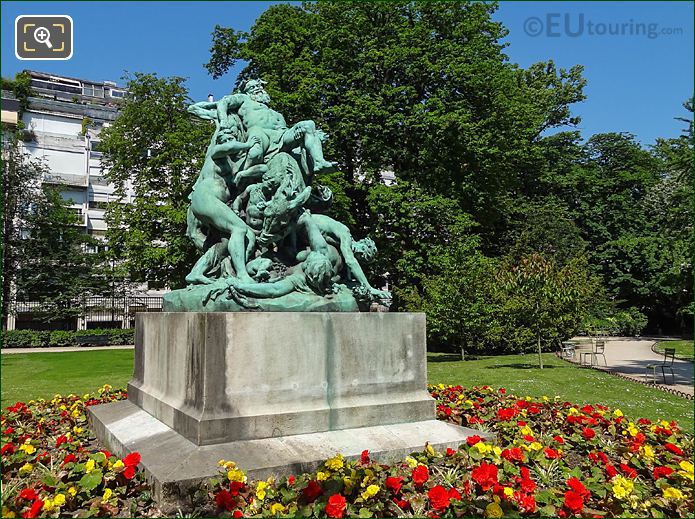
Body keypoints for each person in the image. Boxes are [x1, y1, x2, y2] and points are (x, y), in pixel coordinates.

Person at [189, 79, 336, 175]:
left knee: (308, 125)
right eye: (253, 87)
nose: (258, 88)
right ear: (246, 91)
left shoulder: (274, 112)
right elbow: (223, 103)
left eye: (259, 86)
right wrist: (223, 122)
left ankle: (319, 163)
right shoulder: (244, 100)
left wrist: (315, 136)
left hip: (282, 135)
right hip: (259, 133)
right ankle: (240, 178)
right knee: (255, 153)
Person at [187, 122, 261, 283]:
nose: (230, 141)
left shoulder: (231, 163)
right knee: (239, 228)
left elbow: (248, 172)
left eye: (231, 138)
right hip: (205, 198)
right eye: (226, 138)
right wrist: (247, 144)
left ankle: (196, 272)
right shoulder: (216, 152)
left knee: (228, 242)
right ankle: (242, 274)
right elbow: (228, 147)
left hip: (213, 203)